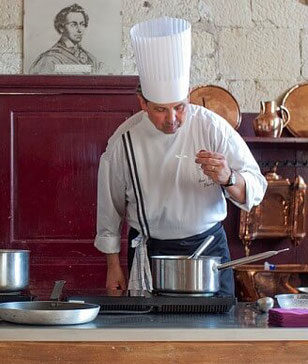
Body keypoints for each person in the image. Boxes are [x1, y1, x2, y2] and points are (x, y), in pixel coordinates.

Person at [94, 18, 267, 296]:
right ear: (143, 103)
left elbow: (257, 187)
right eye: (160, 109)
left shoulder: (211, 127)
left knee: (214, 334)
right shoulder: (123, 141)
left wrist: (228, 177)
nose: (172, 119)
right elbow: (109, 211)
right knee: (153, 337)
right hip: (151, 254)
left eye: (179, 107)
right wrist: (113, 267)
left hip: (209, 251)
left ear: (188, 96)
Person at [29, 3, 101, 74]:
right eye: (73, 25)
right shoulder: (49, 60)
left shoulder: (91, 58)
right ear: (61, 28)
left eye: (82, 24)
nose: (80, 30)